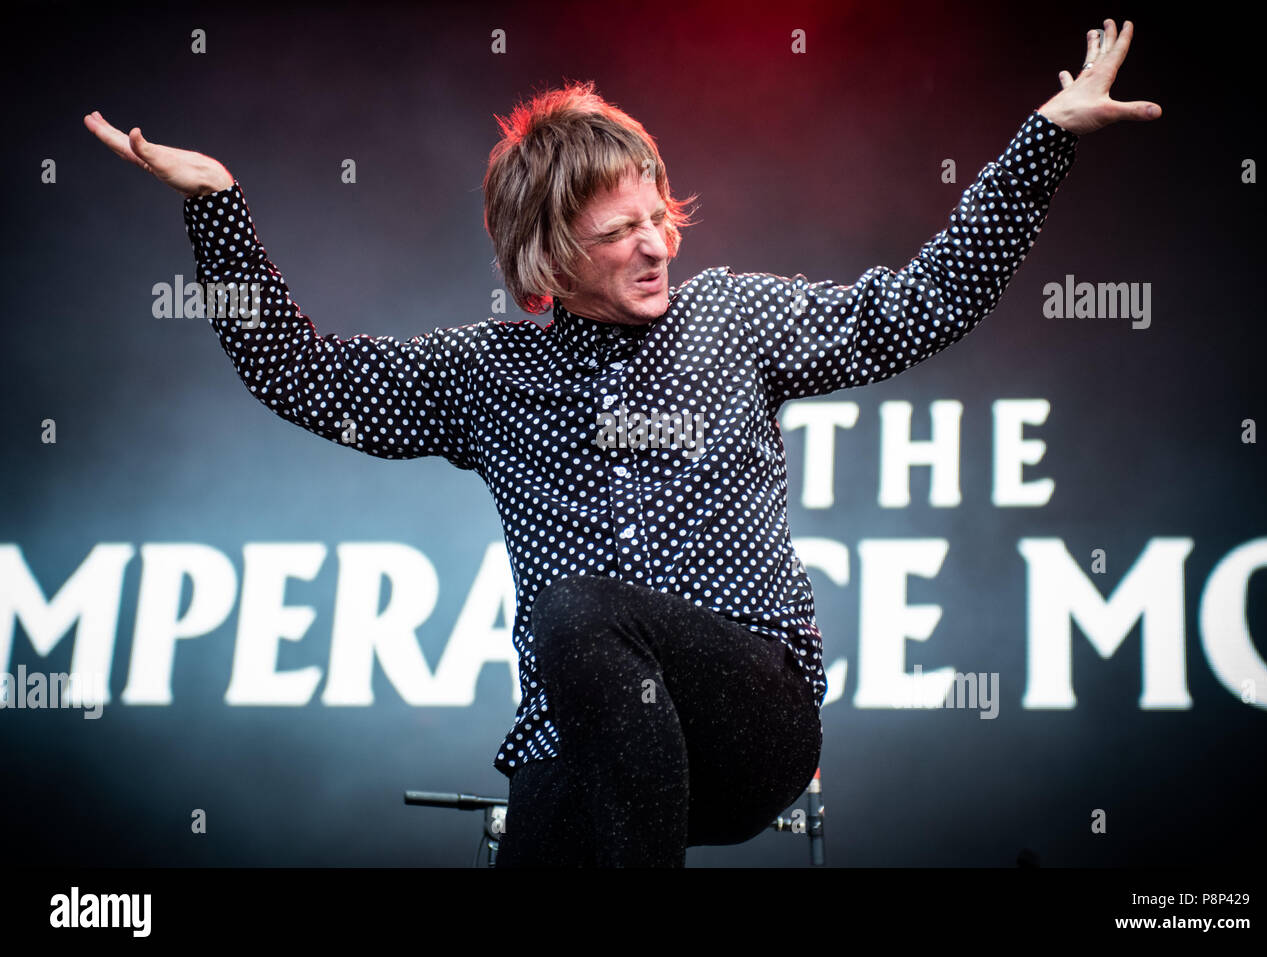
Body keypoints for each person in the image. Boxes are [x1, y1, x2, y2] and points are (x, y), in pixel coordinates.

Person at [85, 19, 1159, 867]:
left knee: (578, 608)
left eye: (659, 215)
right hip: (582, 754)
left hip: (750, 725)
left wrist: (1045, 139)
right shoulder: (484, 374)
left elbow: (928, 304)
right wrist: (217, 209)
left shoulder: (735, 318)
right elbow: (303, 377)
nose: (654, 244)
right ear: (547, 259)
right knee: (564, 763)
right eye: (616, 233)